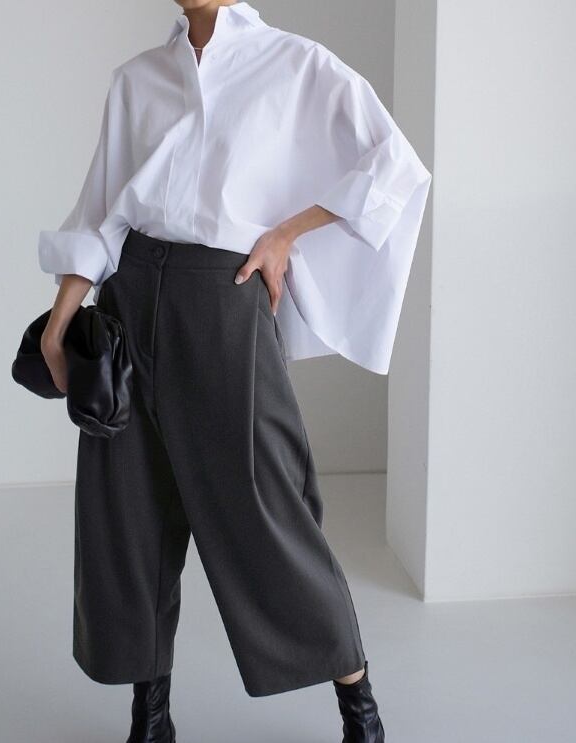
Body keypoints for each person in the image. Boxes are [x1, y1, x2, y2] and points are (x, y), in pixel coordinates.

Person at [37, 1, 431, 741]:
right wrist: (60, 321)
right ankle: (150, 718)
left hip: (221, 298)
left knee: (266, 505)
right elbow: (100, 213)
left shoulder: (294, 63)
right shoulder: (137, 79)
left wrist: (286, 233)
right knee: (128, 512)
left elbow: (394, 163)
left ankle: (360, 709)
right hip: (128, 300)